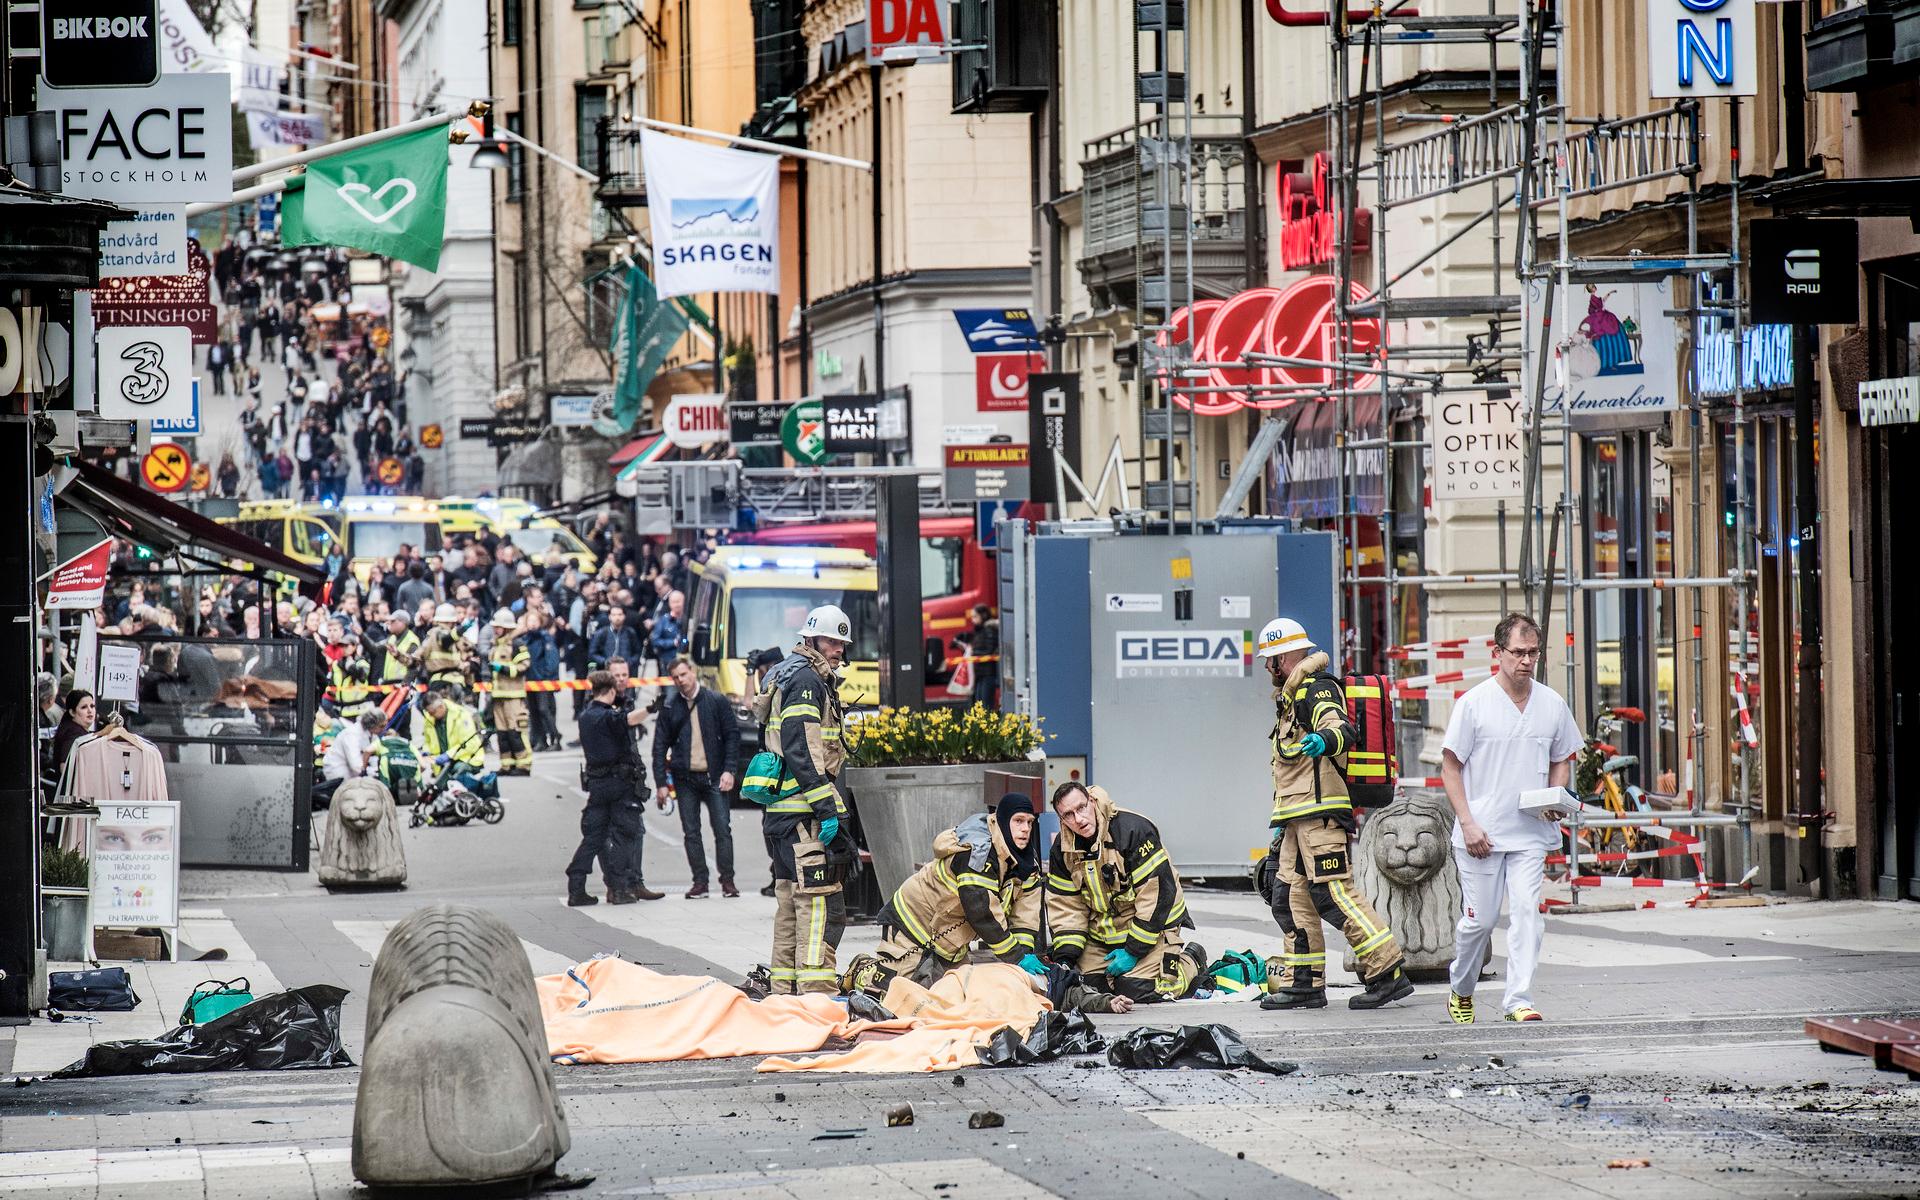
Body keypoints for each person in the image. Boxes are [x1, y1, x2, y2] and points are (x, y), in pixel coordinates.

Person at [1254, 615, 1412, 1012]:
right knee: (1287, 896)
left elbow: (1341, 728)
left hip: (1322, 813)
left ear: (1284, 656)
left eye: (1269, 659)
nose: (1266, 668)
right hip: (1297, 816)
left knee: (1332, 892)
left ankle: (1387, 970)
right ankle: (1304, 983)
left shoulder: (1317, 688)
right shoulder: (1291, 697)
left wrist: (1322, 739)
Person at [1441, 612, 1584, 1025]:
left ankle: (1518, 1000)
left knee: (1527, 913)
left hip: (1530, 832)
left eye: (1533, 652)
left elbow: (1561, 757)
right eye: (1518, 652)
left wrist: (1556, 798)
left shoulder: (1551, 704)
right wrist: (1467, 823)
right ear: (1498, 653)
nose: (1526, 660)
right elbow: (1451, 768)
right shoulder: (1474, 705)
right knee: (1480, 922)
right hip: (1481, 832)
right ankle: (1461, 987)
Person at [759, 605, 856, 995]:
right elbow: (802, 750)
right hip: (804, 814)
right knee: (816, 906)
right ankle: (816, 993)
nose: (838, 650)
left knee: (789, 903)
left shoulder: (784, 674)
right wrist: (827, 808)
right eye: (832, 641)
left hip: (782, 815)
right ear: (811, 639)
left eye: (841, 643)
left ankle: (784, 992)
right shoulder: (807, 682)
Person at [867, 793, 1047, 987]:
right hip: (910, 926)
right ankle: (862, 972)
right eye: (1018, 821)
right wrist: (1016, 957)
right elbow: (981, 911)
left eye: (1030, 822)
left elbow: (1026, 913)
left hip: (948, 939)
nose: (1025, 829)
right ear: (1002, 821)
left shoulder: (1026, 861)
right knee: (901, 993)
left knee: (954, 998)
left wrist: (1025, 953)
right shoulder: (978, 852)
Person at [1046, 782, 1200, 1003]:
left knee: (1138, 989)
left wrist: (1133, 950)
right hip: (1103, 936)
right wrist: (1066, 959)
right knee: (1091, 988)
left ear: (1091, 801)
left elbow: (1156, 896)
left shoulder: (1132, 830)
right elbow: (1066, 907)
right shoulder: (1063, 850)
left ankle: (1191, 960)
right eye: (1069, 815)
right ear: (1062, 820)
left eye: (1081, 808)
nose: (1078, 819)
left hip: (1152, 929)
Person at [569, 670, 661, 906]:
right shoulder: (606, 716)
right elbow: (627, 719)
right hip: (618, 784)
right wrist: (650, 709)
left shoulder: (586, 716)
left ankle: (576, 886)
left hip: (597, 785)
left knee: (593, 837)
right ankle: (620, 888)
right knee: (625, 834)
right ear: (610, 691)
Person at [652, 658, 740, 898]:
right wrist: (661, 784)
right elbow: (659, 747)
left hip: (714, 776)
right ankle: (700, 881)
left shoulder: (716, 701)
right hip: (685, 779)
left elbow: (732, 735)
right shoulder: (671, 707)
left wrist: (729, 770)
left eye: (683, 674)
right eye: (676, 677)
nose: (681, 680)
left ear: (692, 672)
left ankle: (728, 881)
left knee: (722, 829)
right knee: (691, 832)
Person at [417, 690, 495, 801]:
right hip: (444, 762)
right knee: (437, 790)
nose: (431, 715)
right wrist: (426, 751)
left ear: (440, 707)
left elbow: (470, 744)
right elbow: (428, 741)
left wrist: (448, 755)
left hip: (466, 759)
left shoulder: (460, 715)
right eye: (429, 713)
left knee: (456, 777)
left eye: (432, 712)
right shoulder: (430, 719)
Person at [487, 609, 533, 775]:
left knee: (516, 732)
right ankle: (507, 764)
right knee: (503, 734)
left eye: (499, 627)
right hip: (498, 696)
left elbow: (523, 667)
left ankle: (523, 765)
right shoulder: (496, 645)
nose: (496, 630)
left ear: (507, 628)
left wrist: (503, 668)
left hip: (514, 696)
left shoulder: (517, 644)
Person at [317, 709, 386, 808]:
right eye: (381, 726)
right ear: (372, 724)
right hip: (338, 772)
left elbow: (373, 756)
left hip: (352, 773)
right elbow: (355, 765)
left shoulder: (371, 734)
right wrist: (370, 773)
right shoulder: (352, 734)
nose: (383, 729)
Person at [373, 611, 420, 737]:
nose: (389, 624)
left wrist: (406, 685)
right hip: (389, 687)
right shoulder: (392, 639)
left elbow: (414, 666)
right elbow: (374, 649)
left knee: (402, 725)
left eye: (393, 621)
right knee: (387, 725)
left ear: (403, 623)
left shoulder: (412, 640)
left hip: (402, 688)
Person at [420, 602, 472, 700]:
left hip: (446, 683)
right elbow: (446, 640)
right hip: (448, 683)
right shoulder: (439, 634)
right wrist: (461, 630)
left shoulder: (432, 636)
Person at [50, 689, 97, 783]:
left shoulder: (73, 729)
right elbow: (64, 768)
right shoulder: (73, 733)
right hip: (74, 795)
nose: (90, 711)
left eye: (92, 706)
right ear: (72, 712)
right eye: (84, 707)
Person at [587, 602, 644, 672]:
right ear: (609, 617)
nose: (617, 618)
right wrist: (605, 662)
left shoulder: (630, 632)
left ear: (624, 616)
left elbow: (637, 652)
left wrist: (630, 662)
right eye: (614, 615)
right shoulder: (601, 633)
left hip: (626, 669)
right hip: (606, 670)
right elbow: (592, 653)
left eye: (620, 614)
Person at [965, 604, 1000, 707]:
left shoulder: (989, 630)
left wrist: (973, 654)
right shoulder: (979, 631)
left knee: (985, 704)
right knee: (979, 703)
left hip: (987, 673)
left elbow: (989, 650)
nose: (972, 620)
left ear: (983, 615)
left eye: (975, 616)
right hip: (980, 673)